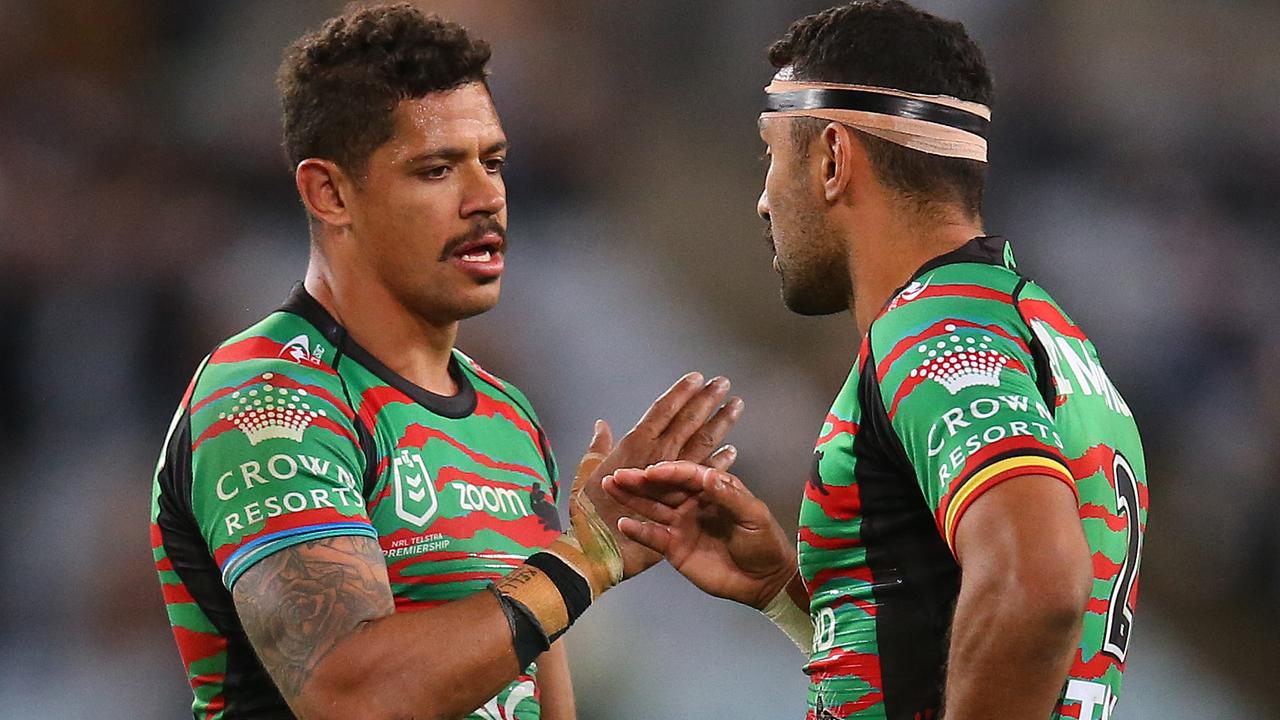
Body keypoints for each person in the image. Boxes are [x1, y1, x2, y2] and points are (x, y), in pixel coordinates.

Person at [149, 5, 741, 719]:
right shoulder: (268, 395)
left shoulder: (509, 419)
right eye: (436, 170)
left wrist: (581, 560)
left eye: (491, 163)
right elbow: (351, 695)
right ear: (328, 193)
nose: (486, 198)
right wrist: (585, 559)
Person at [604, 3, 1147, 719]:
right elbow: (951, 642)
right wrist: (790, 591)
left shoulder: (935, 334)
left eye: (771, 152)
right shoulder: (1051, 334)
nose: (764, 199)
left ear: (832, 158)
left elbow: (1037, 581)